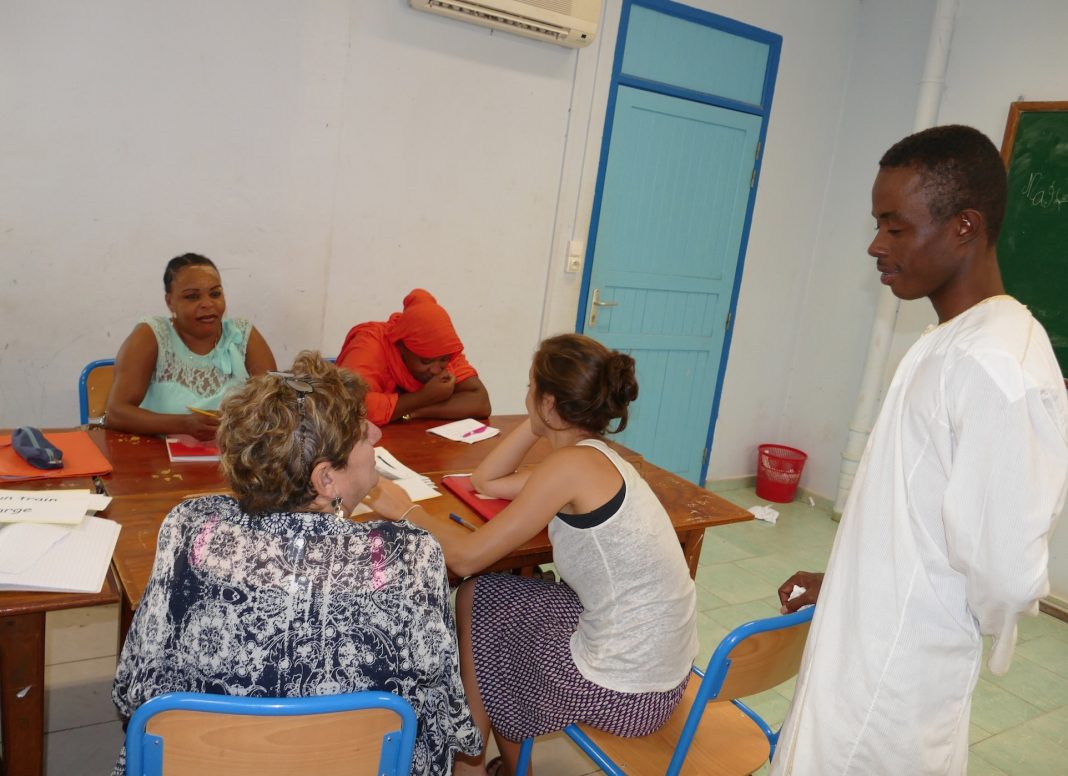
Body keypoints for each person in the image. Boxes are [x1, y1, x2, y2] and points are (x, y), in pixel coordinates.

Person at [771, 125, 1068, 775]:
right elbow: (914, 515)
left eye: (895, 227)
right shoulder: (948, 340)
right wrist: (850, 581)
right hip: (866, 646)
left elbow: (1007, 573)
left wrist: (911, 610)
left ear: (964, 227)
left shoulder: (999, 369)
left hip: (895, 683)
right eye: (878, 224)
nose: (876, 245)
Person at [111, 352, 481, 776]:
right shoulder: (413, 555)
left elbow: (130, 690)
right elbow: (448, 716)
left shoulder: (188, 527)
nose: (377, 433)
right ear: (326, 479)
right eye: (362, 433)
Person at [370, 333, 698, 776]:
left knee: (479, 601)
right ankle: (482, 759)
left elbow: (465, 558)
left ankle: (474, 764)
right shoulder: (597, 459)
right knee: (496, 597)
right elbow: (486, 482)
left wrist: (403, 509)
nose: (525, 397)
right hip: (663, 676)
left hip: (627, 695)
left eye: (530, 388)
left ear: (549, 402)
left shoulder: (569, 467)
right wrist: (543, 416)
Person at [106, 253, 276, 440]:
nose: (207, 304)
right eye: (192, 297)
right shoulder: (153, 335)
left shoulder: (242, 334)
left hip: (232, 454)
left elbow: (276, 406)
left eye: (215, 294)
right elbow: (116, 413)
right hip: (157, 454)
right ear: (170, 302)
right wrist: (184, 425)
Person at [336, 288, 490, 425]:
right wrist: (423, 397)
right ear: (401, 346)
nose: (436, 370)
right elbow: (350, 405)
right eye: (426, 361)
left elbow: (480, 402)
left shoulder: (445, 348)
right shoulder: (370, 343)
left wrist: (414, 411)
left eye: (443, 360)